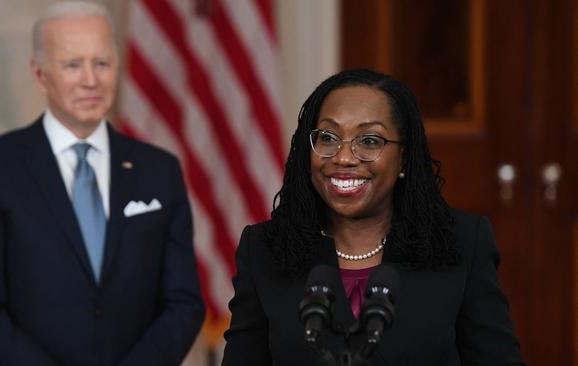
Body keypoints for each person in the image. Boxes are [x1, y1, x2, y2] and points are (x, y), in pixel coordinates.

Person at [0, 2, 204, 365]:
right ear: (39, 75)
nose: (91, 80)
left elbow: (184, 302)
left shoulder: (159, 170)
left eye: (102, 63)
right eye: (72, 64)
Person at [222, 68, 524, 365]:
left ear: (403, 158)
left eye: (369, 141)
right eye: (328, 137)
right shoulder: (264, 249)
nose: (343, 157)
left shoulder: (462, 243)